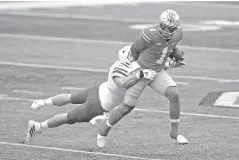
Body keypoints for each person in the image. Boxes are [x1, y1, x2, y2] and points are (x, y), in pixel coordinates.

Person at [25, 45, 157, 143]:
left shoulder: (126, 64)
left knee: (70, 98)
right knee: (68, 117)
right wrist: (140, 75)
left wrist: (169, 63)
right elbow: (122, 82)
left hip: (97, 91)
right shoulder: (120, 70)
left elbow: (147, 67)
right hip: (98, 105)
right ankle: (37, 126)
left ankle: (42, 102)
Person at [97, 9, 188, 147]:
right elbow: (134, 50)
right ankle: (103, 131)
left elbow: (170, 47)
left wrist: (176, 57)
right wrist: (137, 70)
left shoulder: (177, 35)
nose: (164, 30)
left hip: (158, 72)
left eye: (169, 28)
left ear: (175, 29)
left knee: (174, 94)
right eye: (163, 26)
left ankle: (174, 133)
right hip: (143, 70)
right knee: (126, 107)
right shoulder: (149, 34)